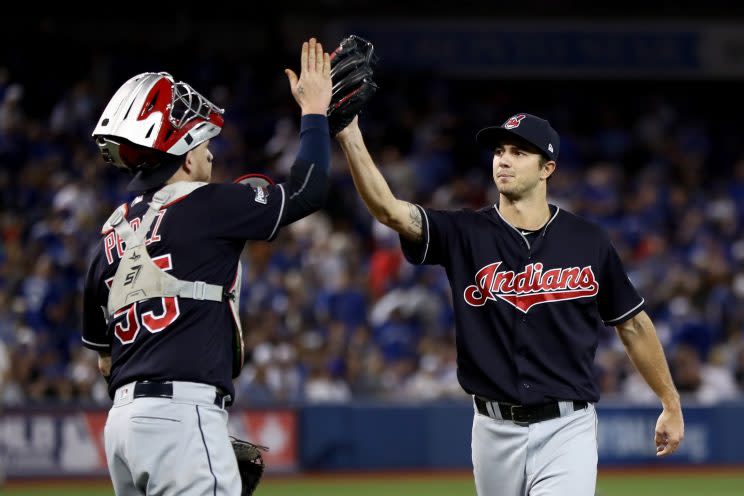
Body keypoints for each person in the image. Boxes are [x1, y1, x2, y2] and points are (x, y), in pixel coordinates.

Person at [335, 113, 684, 495]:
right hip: (492, 429)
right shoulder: (464, 233)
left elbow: (632, 324)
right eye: (499, 151)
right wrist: (350, 134)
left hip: (567, 428)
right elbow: (389, 210)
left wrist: (670, 401)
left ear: (546, 168)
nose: (503, 160)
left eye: (518, 152)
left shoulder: (589, 241)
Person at [81, 37, 332, 495]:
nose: (212, 154)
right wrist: (315, 110)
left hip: (121, 428)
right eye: (206, 144)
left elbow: (104, 361)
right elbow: (308, 191)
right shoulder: (207, 204)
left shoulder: (110, 233)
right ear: (186, 152)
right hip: (181, 414)